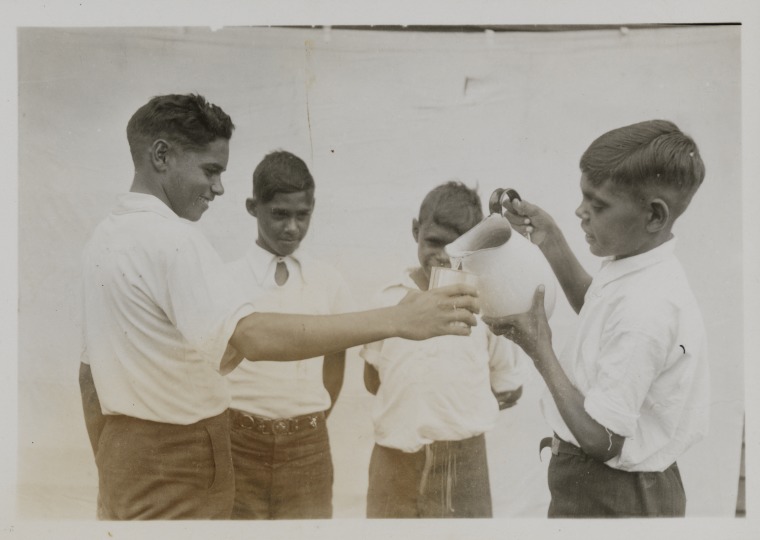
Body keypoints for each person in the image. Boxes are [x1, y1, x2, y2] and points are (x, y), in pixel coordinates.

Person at [78, 93, 480, 520]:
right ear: (161, 156)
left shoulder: (104, 237)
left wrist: (116, 461)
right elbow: (252, 336)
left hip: (127, 458)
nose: (218, 187)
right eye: (210, 170)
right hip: (179, 459)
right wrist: (398, 318)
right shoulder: (173, 239)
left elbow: (89, 376)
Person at [484, 120, 710, 518]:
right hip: (606, 484)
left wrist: (541, 350)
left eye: (598, 205)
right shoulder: (637, 266)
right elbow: (598, 307)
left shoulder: (647, 308)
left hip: (616, 495)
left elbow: (604, 441)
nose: (580, 211)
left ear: (654, 216)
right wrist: (550, 238)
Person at [362, 181, 526, 518]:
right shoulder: (388, 298)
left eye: (458, 247)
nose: (443, 256)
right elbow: (373, 379)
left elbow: (508, 387)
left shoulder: (488, 304)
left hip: (464, 463)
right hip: (394, 460)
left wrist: (457, 411)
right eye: (434, 242)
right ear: (416, 231)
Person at [225, 150, 350, 519]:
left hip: (307, 449)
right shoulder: (225, 279)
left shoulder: (327, 281)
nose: (292, 227)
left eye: (302, 215)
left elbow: (336, 361)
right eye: (279, 214)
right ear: (253, 207)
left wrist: (306, 422)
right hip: (237, 445)